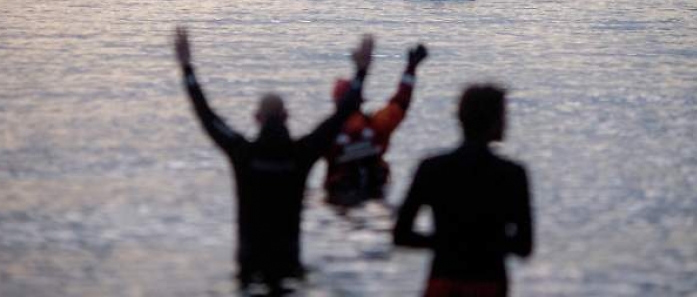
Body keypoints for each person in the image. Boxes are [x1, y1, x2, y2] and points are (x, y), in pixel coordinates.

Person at [174, 26, 374, 294]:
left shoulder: (242, 153)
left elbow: (207, 116)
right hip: (288, 264)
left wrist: (187, 69)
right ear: (287, 117)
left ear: (257, 118)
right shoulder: (301, 153)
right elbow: (341, 116)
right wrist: (361, 72)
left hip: (249, 266)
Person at [393, 84, 533, 297]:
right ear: (496, 121)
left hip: (442, 282)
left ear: (461, 118)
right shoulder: (512, 174)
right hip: (489, 285)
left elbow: (401, 235)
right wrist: (487, 244)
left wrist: (445, 242)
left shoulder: (431, 168)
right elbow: (524, 246)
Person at [323, 44, 428, 207]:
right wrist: (411, 67)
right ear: (359, 100)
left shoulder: (327, 134)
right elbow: (401, 102)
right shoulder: (376, 126)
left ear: (336, 102)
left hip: (339, 198)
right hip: (375, 193)